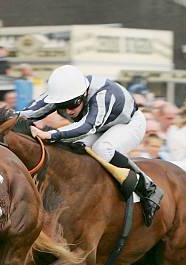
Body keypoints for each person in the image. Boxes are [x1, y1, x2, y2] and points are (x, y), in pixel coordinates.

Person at [21, 64, 162, 226]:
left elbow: (87, 127)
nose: (68, 111)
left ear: (85, 93)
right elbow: (31, 112)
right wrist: (6, 118)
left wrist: (50, 134)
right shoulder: (65, 92)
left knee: (102, 148)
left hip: (129, 124)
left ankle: (148, 187)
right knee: (74, 149)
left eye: (73, 104)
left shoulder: (103, 96)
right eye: (62, 106)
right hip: (101, 125)